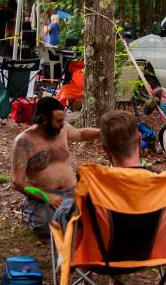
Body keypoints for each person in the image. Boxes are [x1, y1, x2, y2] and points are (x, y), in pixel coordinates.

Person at [11, 97, 100, 235]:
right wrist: (47, 196)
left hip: (72, 192)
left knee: (94, 220)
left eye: (63, 119)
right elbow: (18, 182)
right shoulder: (24, 142)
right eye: (58, 121)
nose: (63, 124)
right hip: (44, 197)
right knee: (50, 228)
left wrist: (103, 132)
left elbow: (81, 134)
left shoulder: (62, 129)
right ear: (43, 119)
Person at [52, 109, 151, 230]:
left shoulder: (94, 187)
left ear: (105, 148)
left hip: (106, 247)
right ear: (140, 139)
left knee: (65, 207)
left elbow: (73, 221)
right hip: (154, 247)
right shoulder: (163, 182)